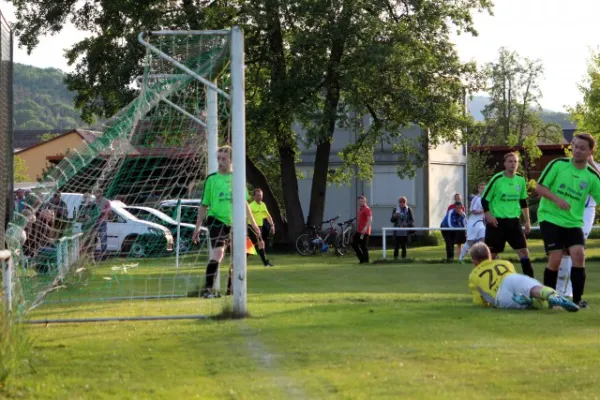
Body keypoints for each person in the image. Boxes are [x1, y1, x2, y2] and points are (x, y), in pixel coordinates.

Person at [535, 133, 600, 309]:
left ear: (590, 152)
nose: (577, 151)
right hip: (550, 216)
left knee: (579, 256)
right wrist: (557, 199)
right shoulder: (558, 164)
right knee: (555, 258)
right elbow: (539, 187)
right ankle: (550, 298)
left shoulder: (592, 177)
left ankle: (577, 300)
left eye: (582, 148)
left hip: (573, 221)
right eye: (575, 146)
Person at [192, 146, 261, 297]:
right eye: (218, 158)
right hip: (216, 220)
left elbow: (244, 203)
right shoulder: (212, 179)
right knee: (218, 253)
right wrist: (197, 228)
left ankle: (230, 289)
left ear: (231, 160)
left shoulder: (237, 178)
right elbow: (204, 205)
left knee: (243, 253)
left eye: (223, 159)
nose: (220, 162)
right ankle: (208, 290)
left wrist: (254, 224)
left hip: (236, 222)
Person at [467, 242, 578, 311]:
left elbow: (479, 301)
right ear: (489, 255)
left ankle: (531, 302)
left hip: (500, 296)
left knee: (531, 305)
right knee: (532, 288)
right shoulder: (505, 263)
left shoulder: (473, 276)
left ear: (474, 262)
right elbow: (515, 282)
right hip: (511, 279)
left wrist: (485, 304)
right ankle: (551, 295)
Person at [481, 152, 533, 277]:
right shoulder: (497, 179)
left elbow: (523, 201)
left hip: (514, 222)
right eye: (510, 161)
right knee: (491, 255)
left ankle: (531, 282)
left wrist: (527, 221)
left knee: (524, 252)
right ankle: (485, 281)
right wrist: (488, 215)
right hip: (497, 222)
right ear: (504, 164)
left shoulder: (520, 180)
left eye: (515, 161)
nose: (513, 164)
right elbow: (484, 199)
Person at [557, 158, 600, 298]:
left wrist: (592, 163)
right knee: (563, 248)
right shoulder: (569, 165)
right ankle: (558, 288)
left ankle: (571, 289)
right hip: (568, 209)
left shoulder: (596, 167)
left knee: (576, 248)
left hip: (587, 210)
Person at [459, 182, 487, 261]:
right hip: (473, 223)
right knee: (470, 242)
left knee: (483, 240)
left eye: (484, 189)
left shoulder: (486, 199)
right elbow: (473, 210)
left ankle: (480, 259)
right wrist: (484, 210)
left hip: (480, 223)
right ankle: (460, 259)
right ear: (478, 189)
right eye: (481, 188)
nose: (483, 190)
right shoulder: (476, 198)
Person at [248, 188, 275, 267]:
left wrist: (272, 225)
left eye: (260, 195)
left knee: (253, 245)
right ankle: (266, 263)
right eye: (257, 195)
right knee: (260, 243)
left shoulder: (263, 205)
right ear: (254, 196)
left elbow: (268, 216)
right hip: (251, 226)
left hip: (259, 227)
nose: (259, 197)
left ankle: (239, 261)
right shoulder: (251, 206)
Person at [76, 193, 100, 259]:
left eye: (87, 198)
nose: (86, 199)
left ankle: (91, 258)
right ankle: (83, 258)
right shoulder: (81, 206)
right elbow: (78, 218)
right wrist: (84, 216)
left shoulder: (94, 206)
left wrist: (90, 218)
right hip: (84, 229)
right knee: (83, 244)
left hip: (93, 228)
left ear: (90, 198)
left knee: (91, 243)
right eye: (85, 198)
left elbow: (97, 217)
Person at [352, 196, 372, 264]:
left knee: (363, 246)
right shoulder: (360, 209)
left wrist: (365, 228)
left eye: (362, 201)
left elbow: (370, 219)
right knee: (354, 244)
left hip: (364, 232)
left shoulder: (367, 209)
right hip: (359, 231)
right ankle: (362, 259)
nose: (360, 203)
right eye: (359, 201)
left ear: (365, 201)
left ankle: (365, 260)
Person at [93, 188, 111, 261]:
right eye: (94, 193)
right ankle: (92, 255)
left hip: (102, 222)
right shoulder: (93, 201)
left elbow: (109, 210)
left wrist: (102, 211)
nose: (94, 194)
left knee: (103, 239)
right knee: (93, 239)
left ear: (100, 193)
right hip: (93, 223)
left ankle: (103, 255)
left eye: (96, 193)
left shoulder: (106, 201)